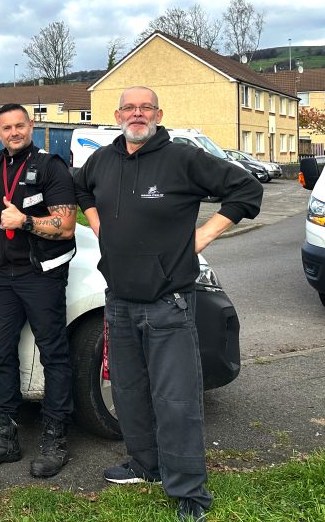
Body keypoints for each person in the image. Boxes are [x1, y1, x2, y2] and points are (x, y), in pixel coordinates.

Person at [73, 86, 262, 522]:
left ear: (158, 113)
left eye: (145, 108)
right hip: (118, 301)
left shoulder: (183, 158)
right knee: (128, 391)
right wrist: (98, 225)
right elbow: (81, 190)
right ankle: (145, 465)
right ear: (117, 114)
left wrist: (202, 236)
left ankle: (189, 491)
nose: (136, 114)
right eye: (129, 108)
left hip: (168, 303)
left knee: (176, 400)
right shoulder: (102, 159)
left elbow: (246, 189)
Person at [0, 103, 77, 479]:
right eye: (6, 127)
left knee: (54, 356)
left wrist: (23, 220)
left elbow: (67, 226)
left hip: (41, 275)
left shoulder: (51, 167)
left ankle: (55, 441)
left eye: (19, 125)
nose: (13, 132)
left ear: (31, 125)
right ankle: (5, 439)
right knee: (2, 355)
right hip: (2, 277)